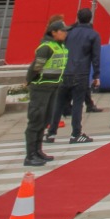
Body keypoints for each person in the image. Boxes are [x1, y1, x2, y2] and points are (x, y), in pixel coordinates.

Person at [46, 8, 99, 144]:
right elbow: (95, 57)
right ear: (90, 18)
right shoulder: (93, 35)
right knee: (77, 104)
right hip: (81, 72)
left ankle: (51, 132)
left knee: (60, 103)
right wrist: (96, 75)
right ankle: (76, 133)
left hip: (65, 71)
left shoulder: (67, 33)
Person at [25, 21, 68, 167]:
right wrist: (29, 81)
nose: (65, 33)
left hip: (53, 87)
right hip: (41, 88)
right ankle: (30, 155)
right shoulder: (46, 48)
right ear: (54, 32)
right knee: (36, 120)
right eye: (62, 31)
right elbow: (36, 67)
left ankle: (38, 151)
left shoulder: (59, 47)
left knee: (44, 120)